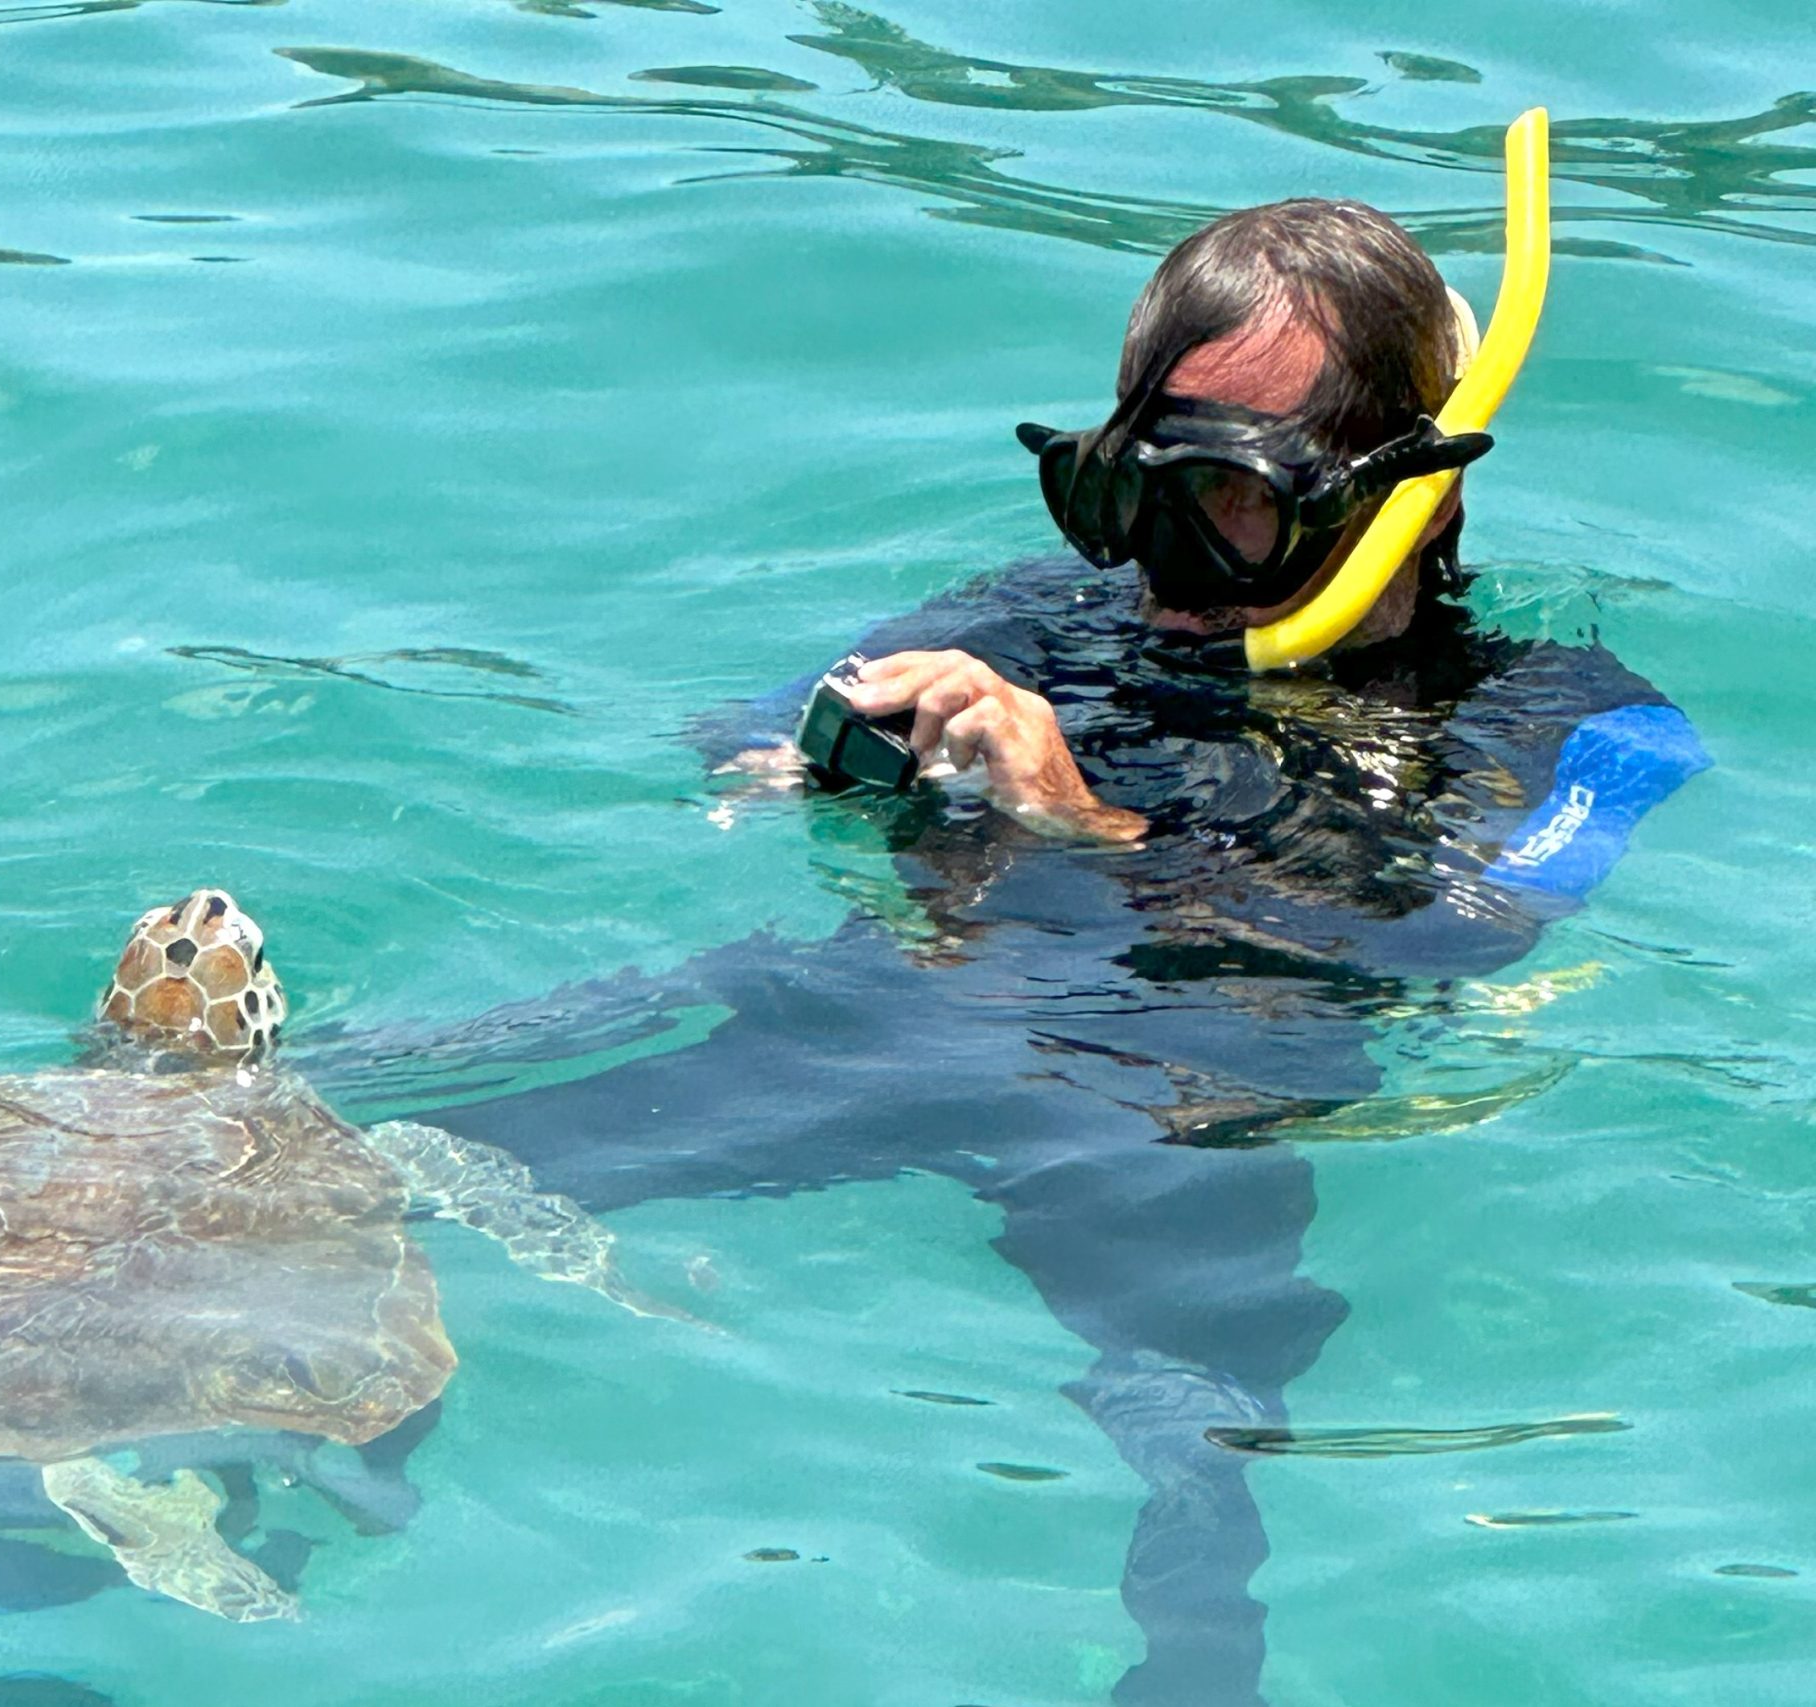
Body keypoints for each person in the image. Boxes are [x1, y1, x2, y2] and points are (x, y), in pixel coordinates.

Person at [327, 198, 1707, 1706]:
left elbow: (1435, 945)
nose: (1163, 571)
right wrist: (805, 758)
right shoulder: (1060, 618)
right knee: (333, 1154)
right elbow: (748, 725)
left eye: (1228, 502)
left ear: (1412, 502)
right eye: (1131, 496)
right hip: (881, 1016)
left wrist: (1076, 831)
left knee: (1191, 1467)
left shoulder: (1580, 723)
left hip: (1171, 1131)